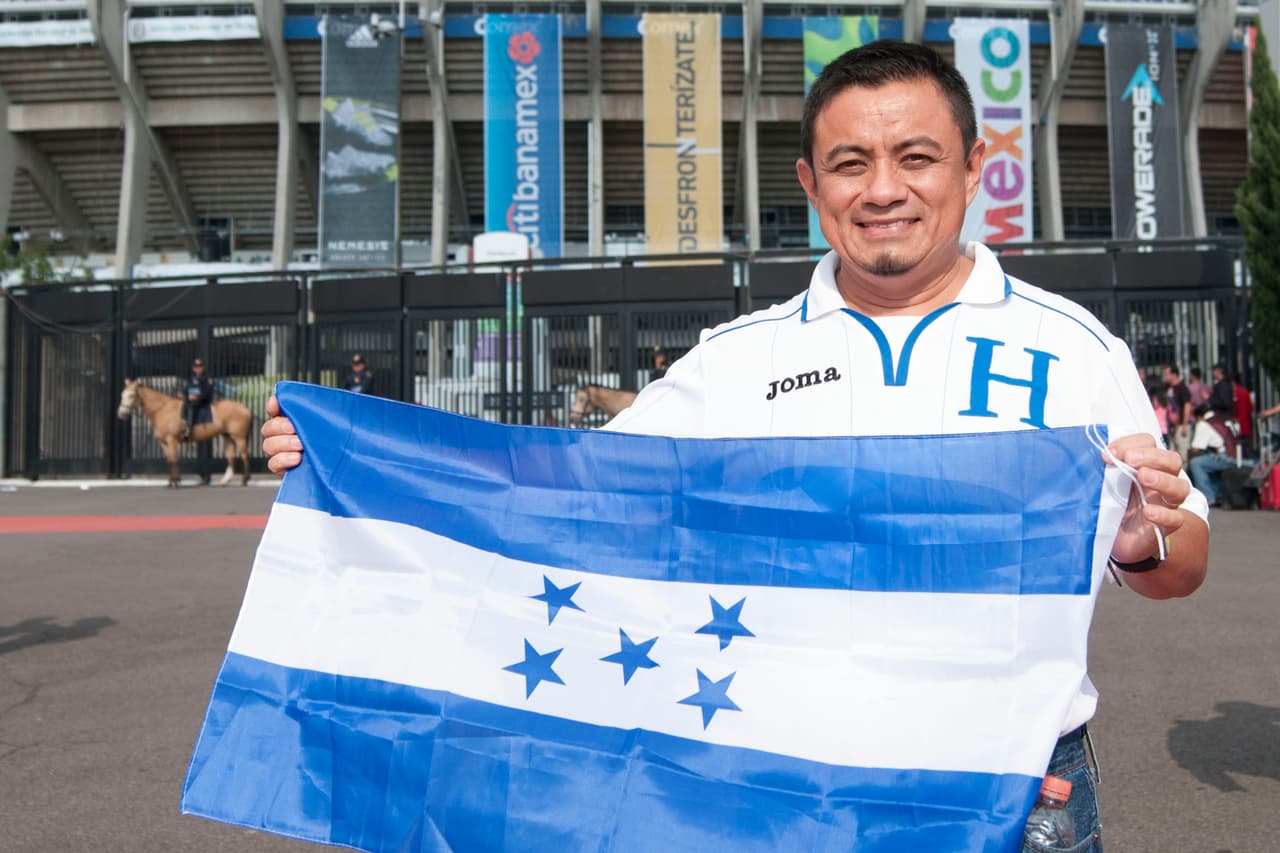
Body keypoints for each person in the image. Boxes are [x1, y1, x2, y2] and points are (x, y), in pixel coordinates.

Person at [264, 41, 1209, 850]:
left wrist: (1140, 539)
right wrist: (351, 462)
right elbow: (561, 500)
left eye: (915, 157)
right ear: (808, 182)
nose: (884, 190)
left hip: (1010, 794)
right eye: (850, 163)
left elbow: (1182, 562)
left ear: (974, 166)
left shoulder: (1072, 346)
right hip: (787, 792)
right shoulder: (736, 361)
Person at [1187, 412, 1235, 507]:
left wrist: (1186, 459)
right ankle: (1217, 493)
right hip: (1235, 455)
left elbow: (1196, 448)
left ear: (1199, 416)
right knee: (1208, 464)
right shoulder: (1226, 420)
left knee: (1196, 463)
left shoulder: (1204, 423)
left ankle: (1208, 497)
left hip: (1223, 456)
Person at [1164, 365, 1194, 461]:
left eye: (1167, 374)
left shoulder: (1182, 388)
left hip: (1181, 425)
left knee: (1182, 453)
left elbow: (1187, 405)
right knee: (1172, 453)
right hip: (1172, 426)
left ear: (1174, 374)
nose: (1165, 376)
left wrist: (1185, 424)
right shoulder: (1168, 389)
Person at [181, 357, 214, 440]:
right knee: (184, 405)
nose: (198, 369)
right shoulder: (191, 378)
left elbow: (207, 392)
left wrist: (198, 397)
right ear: (193, 368)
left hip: (203, 400)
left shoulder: (207, 378)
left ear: (202, 368)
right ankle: (183, 424)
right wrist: (185, 395)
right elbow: (186, 389)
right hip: (191, 399)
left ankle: (189, 428)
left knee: (192, 406)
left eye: (199, 367)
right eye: (196, 367)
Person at [1232, 373, 1255, 457]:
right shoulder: (1245, 392)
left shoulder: (1232, 392)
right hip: (1245, 424)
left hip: (1234, 424)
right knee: (1246, 447)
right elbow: (1251, 408)